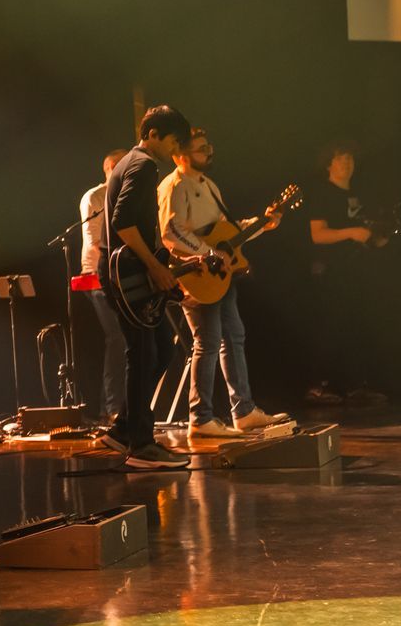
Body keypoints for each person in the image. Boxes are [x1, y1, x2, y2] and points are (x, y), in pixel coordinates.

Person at [157, 128, 289, 437]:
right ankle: (200, 417)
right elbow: (171, 231)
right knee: (207, 341)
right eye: (201, 149)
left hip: (218, 273)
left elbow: (228, 233)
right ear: (180, 155)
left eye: (208, 146)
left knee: (234, 336)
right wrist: (208, 254)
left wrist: (262, 224)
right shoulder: (174, 186)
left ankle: (243, 411)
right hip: (196, 274)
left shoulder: (209, 185)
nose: (209, 152)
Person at [98, 105, 192, 470]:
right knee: (142, 355)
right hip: (129, 274)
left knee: (160, 353)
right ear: (152, 134)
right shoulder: (143, 165)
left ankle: (124, 427)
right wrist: (156, 268)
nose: (174, 151)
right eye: (172, 142)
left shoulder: (130, 163)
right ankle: (140, 445)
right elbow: (123, 223)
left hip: (127, 272)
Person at [304, 141, 387, 405]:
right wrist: (351, 233)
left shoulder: (358, 194)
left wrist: (376, 237)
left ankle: (355, 386)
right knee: (330, 327)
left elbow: (364, 228)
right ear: (329, 163)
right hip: (331, 270)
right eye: (341, 157)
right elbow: (318, 234)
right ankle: (319, 386)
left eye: (350, 157)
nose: (347, 162)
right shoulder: (322, 193)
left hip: (357, 270)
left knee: (358, 326)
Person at [77, 149, 129, 423]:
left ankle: (122, 406)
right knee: (117, 338)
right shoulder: (95, 197)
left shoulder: (126, 195)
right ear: (110, 168)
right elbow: (95, 240)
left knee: (127, 339)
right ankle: (111, 408)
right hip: (97, 275)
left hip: (120, 274)